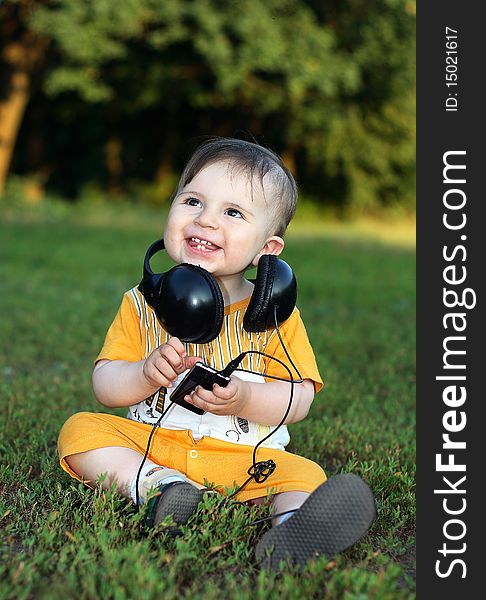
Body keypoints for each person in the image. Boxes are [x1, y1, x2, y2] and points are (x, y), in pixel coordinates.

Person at [58, 138, 375, 569]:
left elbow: (299, 399)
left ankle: (291, 532)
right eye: (192, 201)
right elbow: (105, 386)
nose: (205, 220)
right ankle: (160, 488)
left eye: (232, 212)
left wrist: (245, 398)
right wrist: (144, 374)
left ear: (267, 249)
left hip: (246, 462)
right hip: (154, 448)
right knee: (80, 432)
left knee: (304, 475)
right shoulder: (140, 303)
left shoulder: (276, 317)